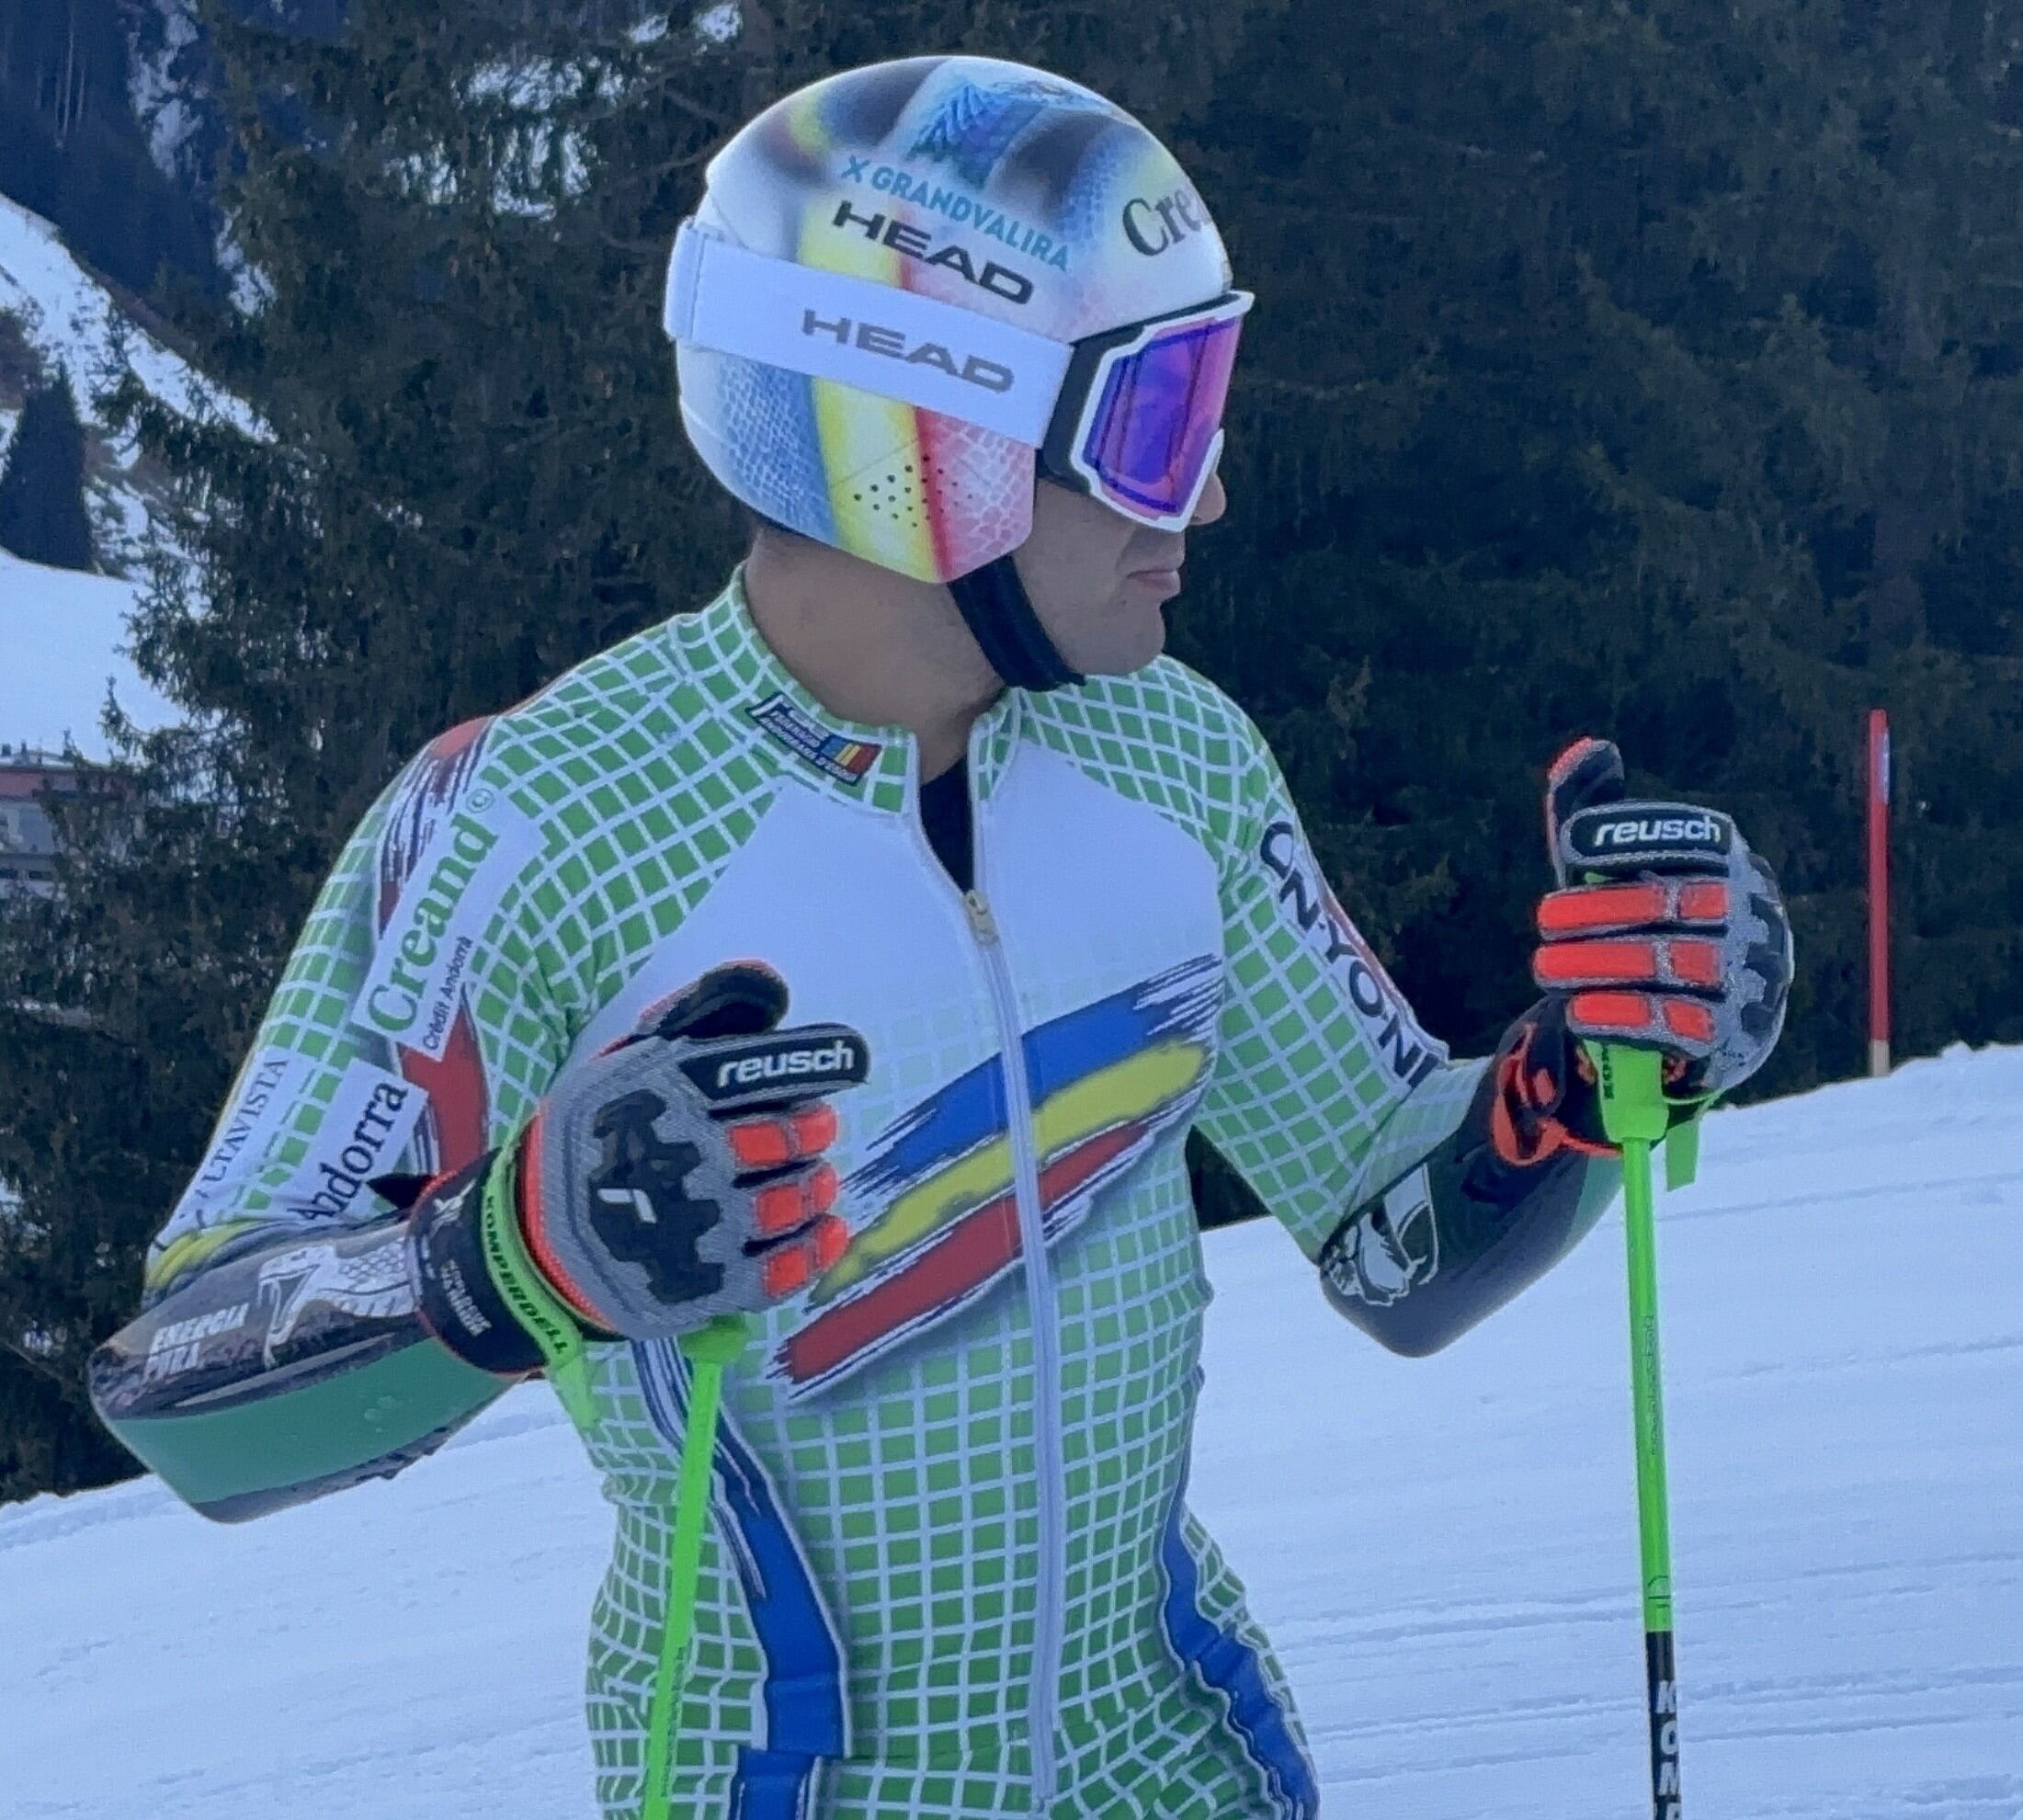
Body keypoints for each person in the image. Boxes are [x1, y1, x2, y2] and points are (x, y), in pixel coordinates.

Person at [89, 53, 1792, 1820]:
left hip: (1190, 1765)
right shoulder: (538, 821)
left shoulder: (1177, 751)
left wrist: (1595, 1067)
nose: (1202, 498)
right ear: (922, 440)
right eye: (1154, 420)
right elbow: (190, 1406)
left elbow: (1394, 1237)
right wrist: (504, 1263)